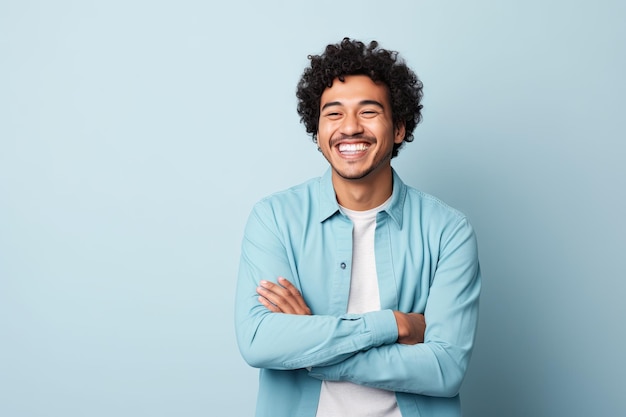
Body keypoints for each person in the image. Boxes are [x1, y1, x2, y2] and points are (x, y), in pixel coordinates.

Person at [235, 37, 481, 417]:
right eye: (333, 114)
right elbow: (258, 342)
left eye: (368, 112)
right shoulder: (274, 218)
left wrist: (313, 350)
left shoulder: (448, 231)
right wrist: (393, 325)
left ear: (398, 128)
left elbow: (444, 370)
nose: (349, 128)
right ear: (317, 132)